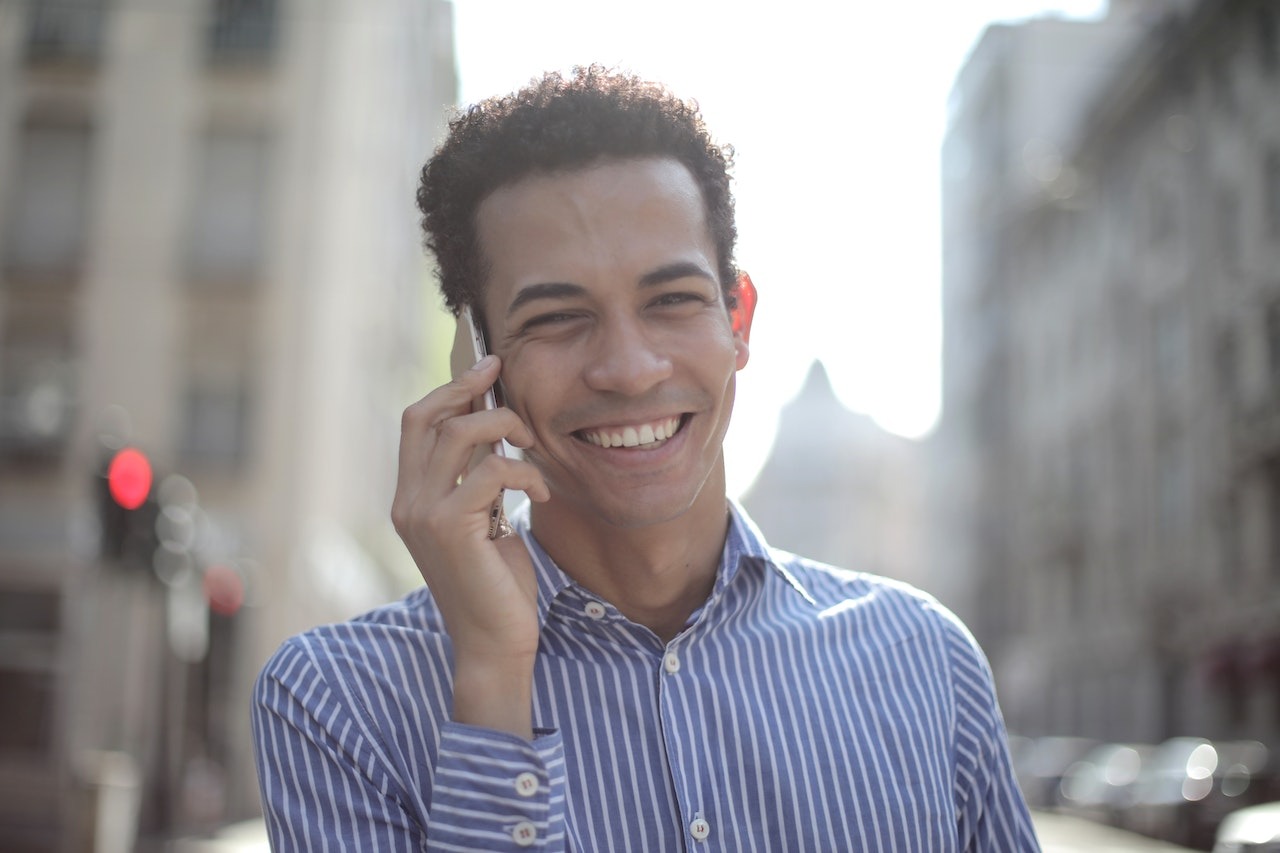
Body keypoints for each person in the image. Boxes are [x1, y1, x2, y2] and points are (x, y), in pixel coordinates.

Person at [252, 65, 1040, 851]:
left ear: (738, 320)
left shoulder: (927, 660)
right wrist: (492, 676)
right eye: (557, 317)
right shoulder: (338, 702)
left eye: (671, 300)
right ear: (476, 359)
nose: (629, 370)